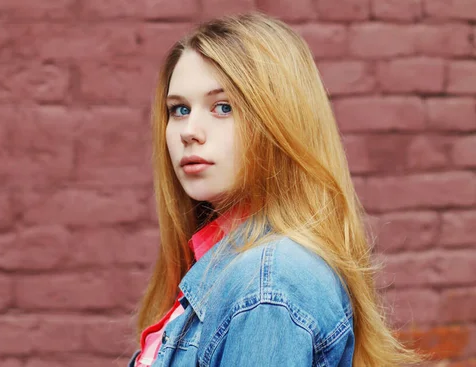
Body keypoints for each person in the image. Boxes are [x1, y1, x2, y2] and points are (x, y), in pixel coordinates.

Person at [129, 12, 421, 366]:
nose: (190, 130)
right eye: (179, 109)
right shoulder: (236, 265)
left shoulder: (268, 282)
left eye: (223, 107)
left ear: (279, 121)